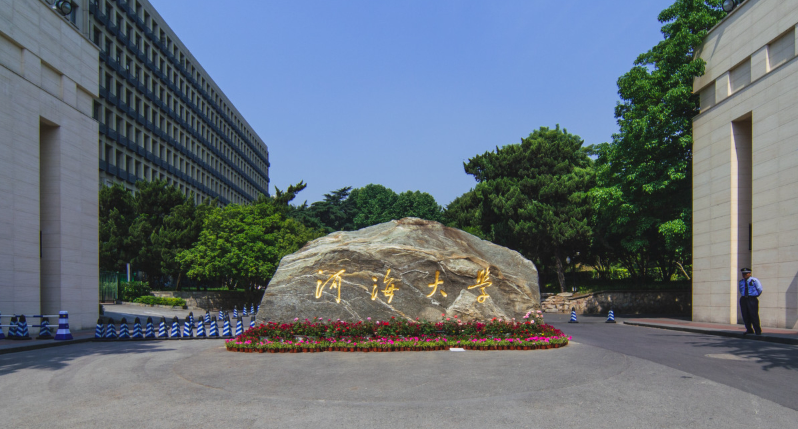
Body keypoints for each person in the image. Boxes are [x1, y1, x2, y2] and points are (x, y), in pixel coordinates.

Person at [738, 268, 763, 336]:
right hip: (744, 299)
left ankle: (757, 330)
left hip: (752, 298)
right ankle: (749, 329)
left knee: (753, 314)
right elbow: (740, 290)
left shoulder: (754, 280)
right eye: (743, 274)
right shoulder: (741, 282)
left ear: (750, 273)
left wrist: (755, 295)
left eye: (746, 274)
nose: (744, 275)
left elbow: (759, 289)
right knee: (745, 315)